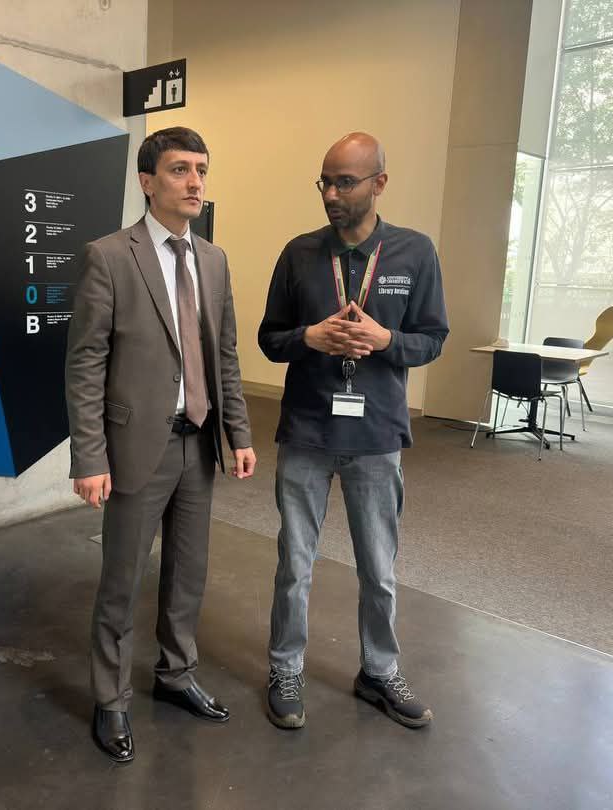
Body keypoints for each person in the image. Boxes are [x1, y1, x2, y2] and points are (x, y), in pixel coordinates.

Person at [66, 126, 256, 763]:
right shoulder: (109, 257)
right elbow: (85, 364)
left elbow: (224, 355)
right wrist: (89, 455)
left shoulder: (214, 260)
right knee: (122, 579)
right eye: (180, 169)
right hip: (134, 448)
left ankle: (176, 673)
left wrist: (238, 433)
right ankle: (111, 698)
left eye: (201, 169)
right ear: (147, 182)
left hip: (198, 442)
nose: (195, 182)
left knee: (188, 572)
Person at [258, 132, 448, 731]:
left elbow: (433, 339)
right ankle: (285, 668)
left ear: (379, 183)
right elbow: (269, 338)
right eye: (325, 182)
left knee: (379, 569)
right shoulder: (298, 254)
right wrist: (308, 337)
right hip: (307, 432)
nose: (331, 195)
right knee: (295, 564)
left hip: (376, 436)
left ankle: (379, 671)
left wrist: (386, 340)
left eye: (345, 182)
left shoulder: (414, 253)